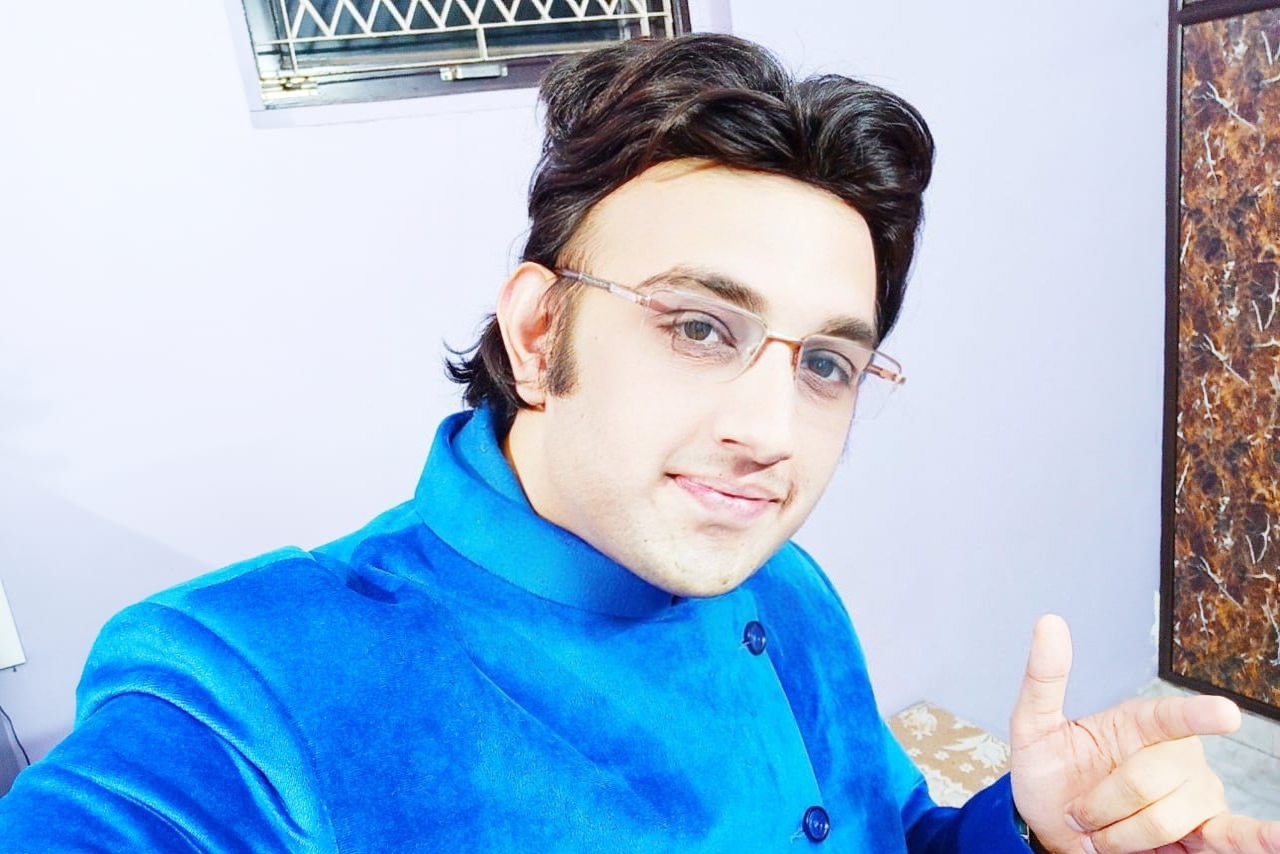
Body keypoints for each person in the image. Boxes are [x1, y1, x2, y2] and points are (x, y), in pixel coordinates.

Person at [0, 32, 1275, 854]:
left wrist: (1028, 828)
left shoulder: (782, 585)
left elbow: (887, 832)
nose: (768, 434)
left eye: (824, 363)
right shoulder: (244, 681)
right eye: (698, 327)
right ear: (537, 330)